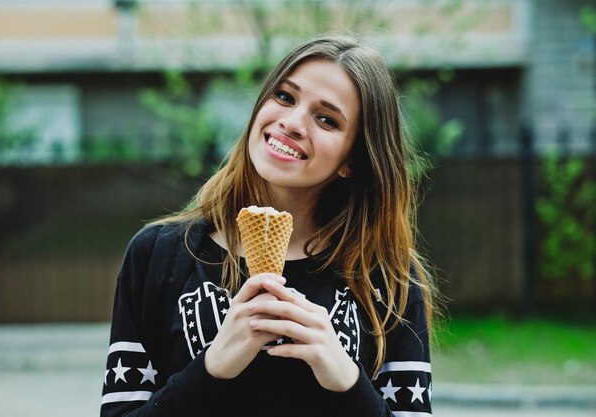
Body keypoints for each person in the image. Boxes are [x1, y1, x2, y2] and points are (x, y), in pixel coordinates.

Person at [101, 32, 440, 417]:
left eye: (326, 119)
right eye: (284, 96)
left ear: (353, 161)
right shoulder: (157, 255)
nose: (292, 122)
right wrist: (211, 369)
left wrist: (347, 380)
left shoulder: (387, 277)